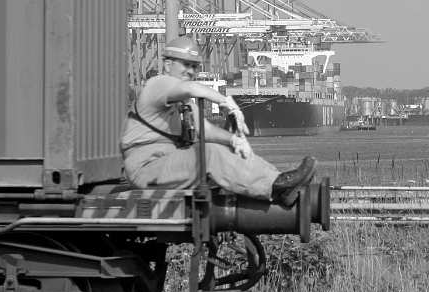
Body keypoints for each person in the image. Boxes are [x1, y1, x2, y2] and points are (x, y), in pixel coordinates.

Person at [121, 36, 316, 204]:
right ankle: (275, 187)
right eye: (186, 64)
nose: (190, 71)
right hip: (146, 168)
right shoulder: (158, 85)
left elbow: (205, 129)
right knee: (209, 154)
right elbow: (192, 88)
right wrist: (225, 101)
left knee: (221, 148)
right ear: (167, 64)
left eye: (194, 67)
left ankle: (280, 181)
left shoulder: (184, 103)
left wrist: (233, 140)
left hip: (165, 164)